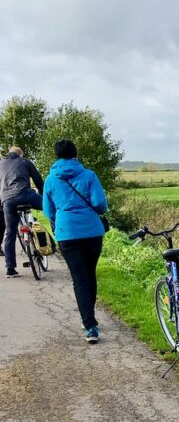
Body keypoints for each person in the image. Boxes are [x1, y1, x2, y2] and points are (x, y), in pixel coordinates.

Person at [43, 139, 108, 343]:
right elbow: (100, 204)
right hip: (92, 231)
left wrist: (60, 219)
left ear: (56, 156)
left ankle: (90, 326)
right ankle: (89, 317)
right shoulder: (89, 175)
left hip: (67, 233)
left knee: (79, 280)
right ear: (75, 154)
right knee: (90, 274)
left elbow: (48, 211)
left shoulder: (51, 179)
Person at [0, 146, 44, 277]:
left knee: (10, 232)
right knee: (50, 207)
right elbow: (38, 180)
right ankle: (57, 234)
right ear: (20, 155)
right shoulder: (25, 162)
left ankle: (10, 269)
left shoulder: (0, 164)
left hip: (7, 201)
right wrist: (44, 196)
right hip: (25, 195)